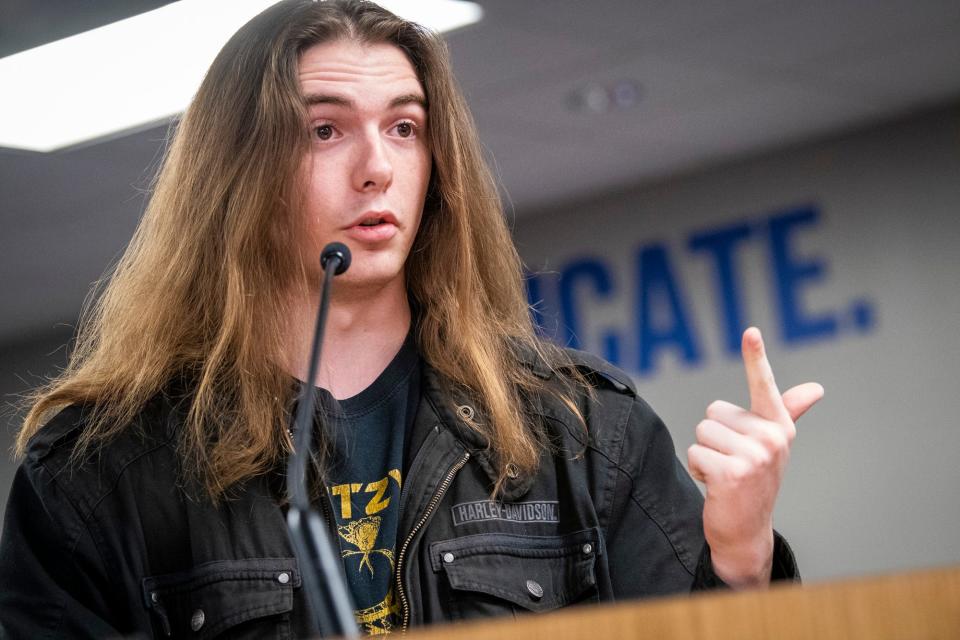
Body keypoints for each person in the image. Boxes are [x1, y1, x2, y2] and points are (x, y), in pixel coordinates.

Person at [0, 1, 823, 637]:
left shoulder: (579, 426)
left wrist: (744, 553)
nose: (377, 168)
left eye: (404, 127)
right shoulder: (100, 466)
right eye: (325, 131)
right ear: (235, 172)